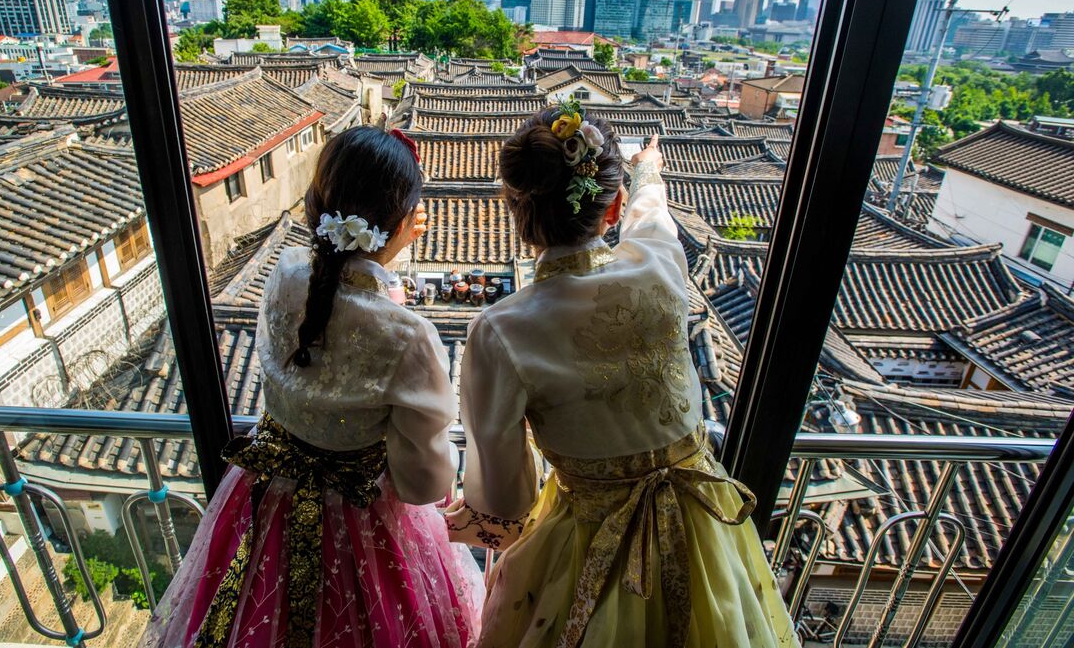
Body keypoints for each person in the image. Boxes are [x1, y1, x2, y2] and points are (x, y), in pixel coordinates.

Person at [451, 104, 797, 647]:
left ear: (515, 212)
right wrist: (647, 171)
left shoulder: (502, 329)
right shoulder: (658, 264)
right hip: (704, 525)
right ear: (612, 207)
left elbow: (506, 500)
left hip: (588, 540)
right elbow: (652, 217)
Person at [145, 127, 483, 648]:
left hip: (267, 501)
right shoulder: (407, 336)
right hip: (359, 527)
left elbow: (336, 292)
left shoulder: (285, 272)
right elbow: (422, 484)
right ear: (397, 223)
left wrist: (385, 241)